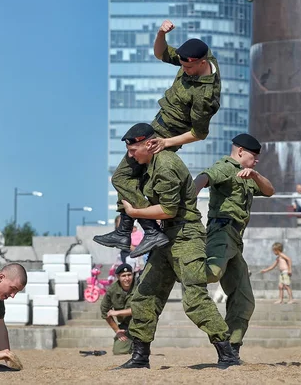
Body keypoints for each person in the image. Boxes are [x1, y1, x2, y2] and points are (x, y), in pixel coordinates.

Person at [115, 123, 239, 370]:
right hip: (165, 238)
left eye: (133, 150)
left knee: (194, 300)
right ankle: (140, 356)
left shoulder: (167, 165)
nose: (130, 156)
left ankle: (228, 353)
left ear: (150, 144)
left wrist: (134, 211)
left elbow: (168, 209)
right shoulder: (150, 164)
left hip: (186, 237)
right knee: (144, 295)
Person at [95, 19, 222, 258]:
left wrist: (165, 143)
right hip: (157, 126)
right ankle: (124, 231)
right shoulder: (197, 56)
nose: (184, 70)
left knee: (121, 176)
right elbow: (161, 53)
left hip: (165, 137)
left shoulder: (204, 95)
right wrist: (160, 34)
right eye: (182, 65)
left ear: (202, 63)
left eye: (189, 68)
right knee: (130, 179)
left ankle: (149, 231)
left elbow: (199, 133)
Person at [194, 133, 274, 361]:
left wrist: (256, 175)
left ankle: (231, 350)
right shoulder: (226, 167)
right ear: (240, 152)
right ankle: (180, 264)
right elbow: (203, 178)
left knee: (244, 299)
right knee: (211, 274)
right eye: (254, 156)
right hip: (221, 231)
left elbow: (270, 191)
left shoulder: (249, 175)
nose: (256, 159)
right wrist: (187, 199)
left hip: (236, 240)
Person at [100, 263, 135, 355]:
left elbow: (139, 309)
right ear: (118, 277)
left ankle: (138, 344)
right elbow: (104, 311)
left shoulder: (139, 287)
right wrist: (117, 331)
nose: (127, 278)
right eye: (123, 276)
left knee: (142, 350)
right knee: (119, 351)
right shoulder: (112, 290)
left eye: (129, 275)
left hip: (141, 324)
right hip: (125, 325)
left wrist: (117, 313)